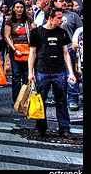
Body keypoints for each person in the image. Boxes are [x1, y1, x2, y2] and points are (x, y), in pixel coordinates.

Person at [28, 7, 77, 138]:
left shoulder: (62, 32)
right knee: (41, 101)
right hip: (42, 70)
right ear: (50, 18)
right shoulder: (36, 32)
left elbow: (66, 53)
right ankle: (41, 127)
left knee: (61, 101)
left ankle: (64, 128)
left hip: (59, 71)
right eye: (59, 18)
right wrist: (30, 72)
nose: (62, 20)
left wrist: (71, 72)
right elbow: (32, 53)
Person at [52, 0, 83, 111]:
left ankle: (72, 99)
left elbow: (80, 33)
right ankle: (58, 97)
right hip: (54, 49)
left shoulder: (74, 16)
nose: (64, 3)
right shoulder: (50, 16)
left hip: (70, 49)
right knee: (56, 75)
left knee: (71, 74)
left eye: (65, 1)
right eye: (61, 1)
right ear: (55, 3)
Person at [3, 0, 35, 104]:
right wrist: (14, 49)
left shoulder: (29, 19)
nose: (19, 9)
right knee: (16, 74)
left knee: (27, 74)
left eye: (21, 7)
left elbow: (35, 32)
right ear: (13, 9)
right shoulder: (10, 20)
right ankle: (16, 98)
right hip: (15, 49)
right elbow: (7, 36)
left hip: (28, 49)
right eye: (17, 7)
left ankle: (26, 98)